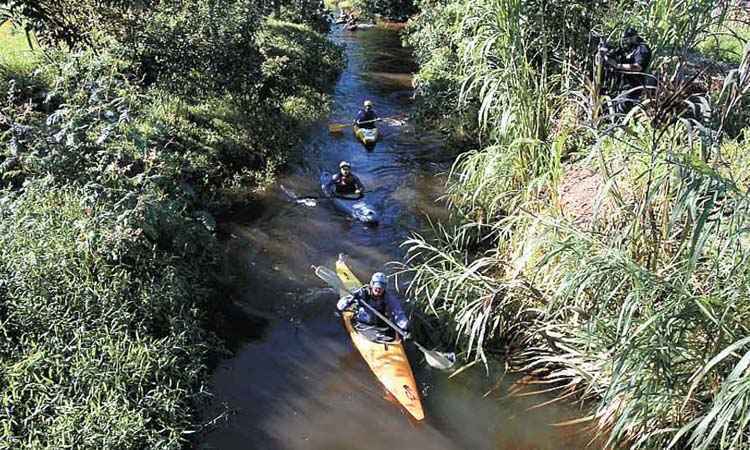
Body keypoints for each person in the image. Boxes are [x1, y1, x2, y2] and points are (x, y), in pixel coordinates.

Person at [337, 272, 410, 342]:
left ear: (385, 287)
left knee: (391, 332)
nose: (378, 289)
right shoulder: (362, 293)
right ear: (372, 284)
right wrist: (351, 299)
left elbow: (399, 313)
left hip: (379, 325)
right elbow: (340, 306)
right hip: (363, 324)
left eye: (381, 287)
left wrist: (406, 328)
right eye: (377, 286)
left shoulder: (388, 297)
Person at [604, 27, 652, 114]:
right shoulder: (631, 48)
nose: (627, 41)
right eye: (625, 39)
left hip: (633, 85)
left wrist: (617, 65)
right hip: (623, 85)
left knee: (621, 110)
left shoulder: (642, 49)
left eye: (629, 39)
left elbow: (638, 67)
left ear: (635, 37)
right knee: (616, 106)